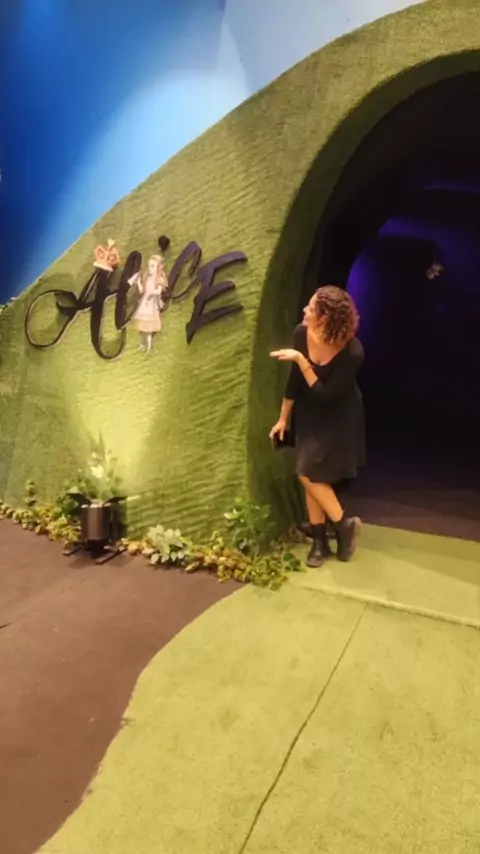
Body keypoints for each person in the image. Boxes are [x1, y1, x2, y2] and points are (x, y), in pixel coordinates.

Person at [269, 286, 365, 567]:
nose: (304, 311)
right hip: (309, 410)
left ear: (325, 318)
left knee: (308, 473)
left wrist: (301, 360)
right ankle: (323, 540)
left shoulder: (352, 352)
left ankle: (341, 525)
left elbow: (325, 394)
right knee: (311, 472)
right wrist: (283, 418)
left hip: (339, 413)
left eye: (311, 308)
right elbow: (294, 382)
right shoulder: (302, 333)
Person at [128, 254, 168, 352]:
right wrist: (139, 283)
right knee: (142, 327)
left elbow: (158, 292)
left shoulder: (159, 279)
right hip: (144, 303)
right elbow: (142, 291)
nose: (150, 268)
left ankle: (149, 346)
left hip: (151, 305)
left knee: (148, 329)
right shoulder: (147, 278)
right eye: (149, 266)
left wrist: (151, 293)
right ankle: (142, 343)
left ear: (158, 267)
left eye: (152, 266)